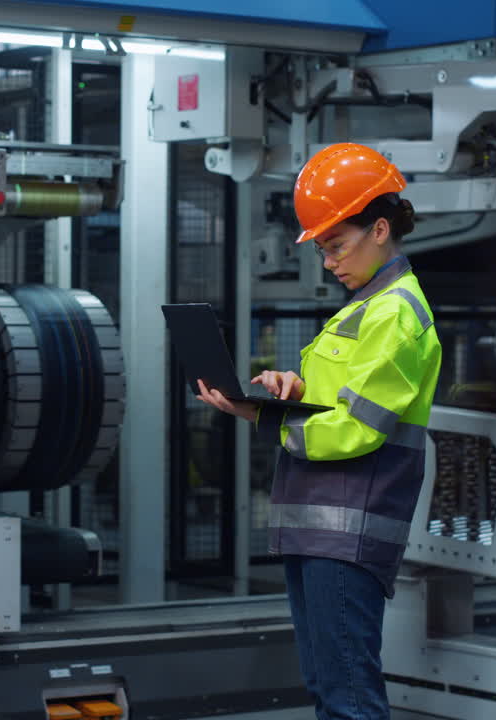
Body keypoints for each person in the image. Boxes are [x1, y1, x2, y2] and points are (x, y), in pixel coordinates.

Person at [195, 143, 442, 720]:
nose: (329, 261)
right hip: (319, 526)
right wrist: (291, 388)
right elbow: (342, 397)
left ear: (379, 228)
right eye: (324, 249)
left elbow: (358, 428)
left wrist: (264, 415)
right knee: (328, 686)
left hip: (348, 532)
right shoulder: (364, 306)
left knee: (349, 696)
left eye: (337, 245)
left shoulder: (394, 314)